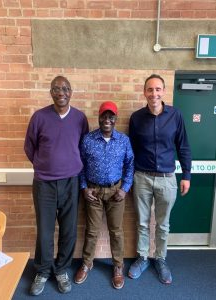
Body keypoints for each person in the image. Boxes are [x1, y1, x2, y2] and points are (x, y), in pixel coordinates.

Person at [24, 75, 89, 296]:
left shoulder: (80, 118)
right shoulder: (39, 117)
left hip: (71, 182)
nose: (61, 92)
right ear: (50, 92)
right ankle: (42, 271)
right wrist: (44, 166)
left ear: (71, 92)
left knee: (69, 231)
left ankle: (61, 270)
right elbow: (29, 147)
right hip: (44, 184)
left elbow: (82, 146)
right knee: (45, 232)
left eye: (65, 88)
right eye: (56, 89)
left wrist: (69, 165)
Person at [128, 74, 191, 284]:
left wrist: (186, 176)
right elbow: (132, 151)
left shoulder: (176, 116)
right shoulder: (136, 118)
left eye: (157, 89)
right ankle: (143, 257)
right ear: (144, 92)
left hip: (167, 179)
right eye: (149, 89)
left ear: (163, 91)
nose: (153, 93)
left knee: (163, 224)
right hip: (142, 178)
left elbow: (183, 146)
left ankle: (160, 258)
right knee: (143, 223)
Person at [74, 101, 134, 289]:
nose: (107, 120)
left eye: (111, 116)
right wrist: (84, 187)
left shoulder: (123, 140)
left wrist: (125, 188)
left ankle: (118, 266)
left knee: (116, 232)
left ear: (115, 119)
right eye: (104, 116)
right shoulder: (88, 140)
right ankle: (86, 263)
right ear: (99, 117)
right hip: (93, 193)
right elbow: (80, 165)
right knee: (91, 231)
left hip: (116, 192)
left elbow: (130, 165)